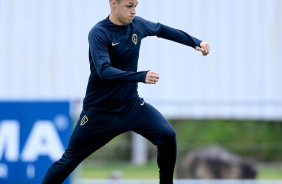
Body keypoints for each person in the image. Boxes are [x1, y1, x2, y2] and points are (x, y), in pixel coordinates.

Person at [41, 0, 210, 183]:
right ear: (113, 3)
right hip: (100, 112)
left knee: (167, 137)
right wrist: (140, 76)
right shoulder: (99, 32)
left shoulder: (138, 25)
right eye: (129, 6)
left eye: (136, 5)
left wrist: (195, 42)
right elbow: (104, 71)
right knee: (69, 161)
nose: (134, 11)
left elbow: (162, 30)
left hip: (131, 106)